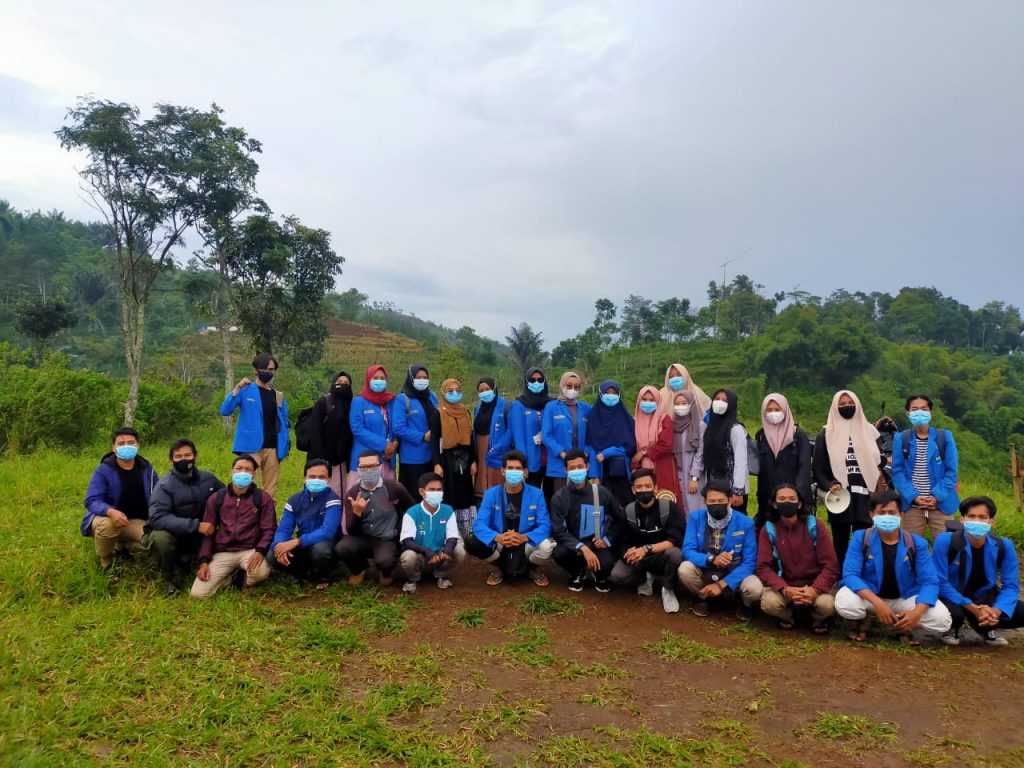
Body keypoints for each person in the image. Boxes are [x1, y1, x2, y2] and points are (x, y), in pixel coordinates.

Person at [835, 491, 952, 643]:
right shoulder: (861, 538)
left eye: (892, 512)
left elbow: (930, 582)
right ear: (872, 515)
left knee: (942, 620)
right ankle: (864, 620)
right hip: (871, 595)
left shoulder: (916, 543)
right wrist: (877, 603)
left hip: (905, 597)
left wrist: (916, 613)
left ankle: (905, 624)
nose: (887, 517)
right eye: (881, 513)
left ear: (901, 515)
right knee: (845, 603)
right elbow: (850, 575)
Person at [934, 496, 1023, 646]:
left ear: (991, 521)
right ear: (962, 519)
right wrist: (971, 607)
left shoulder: (1004, 546)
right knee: (953, 615)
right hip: (951, 595)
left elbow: (1011, 586)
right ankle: (952, 627)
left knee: (1018, 611)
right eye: (971, 516)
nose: (976, 521)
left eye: (982, 517)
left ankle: (986, 627)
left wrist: (997, 610)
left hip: (983, 595)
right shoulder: (946, 541)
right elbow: (939, 581)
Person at [813, 390, 887, 566]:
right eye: (842, 404)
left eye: (850, 403)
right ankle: (841, 576)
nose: (847, 406)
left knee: (865, 539)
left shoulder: (870, 432)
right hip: (841, 497)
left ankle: (864, 574)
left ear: (858, 404)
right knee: (840, 541)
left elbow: (880, 460)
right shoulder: (826, 434)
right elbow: (818, 468)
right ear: (835, 407)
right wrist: (829, 484)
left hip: (866, 495)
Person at [146, 438, 225, 596]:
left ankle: (232, 571)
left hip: (206, 535)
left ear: (196, 456)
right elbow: (157, 517)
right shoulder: (164, 486)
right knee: (160, 538)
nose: (184, 459)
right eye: (178, 456)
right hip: (179, 535)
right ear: (171, 459)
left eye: (188, 455)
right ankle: (168, 579)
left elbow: (225, 500)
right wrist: (195, 525)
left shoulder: (209, 479)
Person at [190, 454, 276, 599]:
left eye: (247, 469)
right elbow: (207, 532)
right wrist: (204, 562)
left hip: (249, 550)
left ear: (254, 474)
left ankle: (242, 576)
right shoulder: (217, 498)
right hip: (223, 551)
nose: (242, 472)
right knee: (197, 594)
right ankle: (232, 578)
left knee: (260, 572)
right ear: (231, 471)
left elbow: (269, 529)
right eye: (239, 468)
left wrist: (260, 551)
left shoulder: (262, 498)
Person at [756, 484, 839, 633]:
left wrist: (815, 589)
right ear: (774, 504)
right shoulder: (769, 529)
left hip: (814, 584)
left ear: (800, 503)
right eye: (781, 499)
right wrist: (785, 589)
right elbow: (763, 567)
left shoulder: (815, 525)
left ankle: (817, 618)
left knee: (827, 605)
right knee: (770, 604)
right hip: (786, 585)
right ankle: (788, 615)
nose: (787, 502)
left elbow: (830, 564)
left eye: (792, 499)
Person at [466, 450, 555, 586]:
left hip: (525, 541)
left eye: (518, 468)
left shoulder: (537, 494)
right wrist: (498, 537)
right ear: (503, 471)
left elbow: (545, 525)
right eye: (510, 468)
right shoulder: (491, 494)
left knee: (547, 546)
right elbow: (479, 524)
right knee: (474, 542)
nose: (514, 472)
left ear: (525, 472)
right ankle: (499, 567)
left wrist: (524, 537)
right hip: (501, 541)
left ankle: (530, 569)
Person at [680, 480, 762, 619]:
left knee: (755, 588)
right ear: (705, 502)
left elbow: (750, 562)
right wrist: (711, 560)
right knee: (685, 568)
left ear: (729, 500)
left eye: (721, 500)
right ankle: (703, 598)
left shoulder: (746, 523)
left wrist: (721, 584)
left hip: (734, 570)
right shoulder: (696, 517)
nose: (716, 504)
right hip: (706, 568)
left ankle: (743, 603)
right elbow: (688, 550)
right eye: (712, 501)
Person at [81, 427, 159, 572]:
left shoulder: (148, 469)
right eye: (121, 443)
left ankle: (123, 546)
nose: (126, 446)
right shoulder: (103, 470)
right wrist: (110, 511)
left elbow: (158, 496)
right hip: (109, 520)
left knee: (156, 542)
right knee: (108, 525)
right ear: (114, 447)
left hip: (135, 521)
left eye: (130, 442)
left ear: (138, 445)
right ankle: (106, 561)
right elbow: (91, 500)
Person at [609, 469, 685, 613]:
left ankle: (668, 589)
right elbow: (622, 539)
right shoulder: (628, 511)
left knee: (675, 554)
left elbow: (674, 540)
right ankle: (645, 577)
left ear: (655, 487)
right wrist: (627, 552)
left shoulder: (670, 508)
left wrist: (646, 549)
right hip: (639, 558)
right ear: (633, 489)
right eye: (639, 487)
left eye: (647, 486)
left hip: (661, 556)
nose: (643, 490)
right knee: (617, 576)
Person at [337, 449, 415, 586]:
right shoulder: (352, 493)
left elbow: (413, 510)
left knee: (386, 561)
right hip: (362, 538)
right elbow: (351, 531)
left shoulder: (394, 487)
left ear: (380, 467)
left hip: (386, 539)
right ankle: (359, 569)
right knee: (342, 548)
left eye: (372, 466)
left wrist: (397, 530)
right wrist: (357, 514)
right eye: (363, 467)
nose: (368, 470)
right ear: (358, 469)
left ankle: (385, 572)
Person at [218, 353, 289, 500]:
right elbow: (225, 410)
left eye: (271, 369)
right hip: (251, 447)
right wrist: (237, 387)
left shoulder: (278, 396)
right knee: (246, 485)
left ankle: (266, 519)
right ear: (256, 370)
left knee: (270, 490)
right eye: (264, 369)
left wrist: (285, 443)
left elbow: (284, 421)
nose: (268, 372)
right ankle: (244, 516)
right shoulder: (245, 390)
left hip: (273, 448)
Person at [549, 449, 622, 592]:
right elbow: (558, 531)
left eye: (580, 467)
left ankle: (599, 574)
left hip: (597, 543)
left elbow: (620, 519)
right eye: (572, 468)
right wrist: (582, 548)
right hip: (574, 546)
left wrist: (607, 539)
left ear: (587, 467)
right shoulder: (558, 498)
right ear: (566, 470)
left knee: (607, 564)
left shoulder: (601, 492)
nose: (577, 470)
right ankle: (577, 572)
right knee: (558, 553)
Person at [891, 394, 959, 540]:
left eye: (924, 408)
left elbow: (951, 473)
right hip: (912, 506)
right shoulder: (901, 439)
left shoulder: (944, 437)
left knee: (947, 549)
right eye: (914, 409)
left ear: (931, 412)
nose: (919, 412)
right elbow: (897, 472)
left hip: (941, 505)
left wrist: (936, 496)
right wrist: (914, 496)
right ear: (907, 413)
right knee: (912, 548)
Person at [271, 459, 343, 589]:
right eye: (312, 476)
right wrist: (280, 545)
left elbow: (327, 531)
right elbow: (283, 529)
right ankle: (299, 574)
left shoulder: (333, 499)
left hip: (325, 543)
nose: (316, 480)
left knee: (321, 551)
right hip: (303, 543)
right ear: (304, 478)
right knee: (273, 554)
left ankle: (324, 575)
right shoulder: (294, 499)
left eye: (321, 477)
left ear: (329, 479)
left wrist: (297, 542)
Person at [399, 472, 466, 592]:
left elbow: (452, 536)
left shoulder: (448, 510)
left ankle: (441, 574)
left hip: (439, 556)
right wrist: (426, 551)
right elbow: (407, 541)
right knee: (408, 557)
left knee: (459, 551)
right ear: (421, 492)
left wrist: (448, 549)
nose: (436, 493)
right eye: (432, 490)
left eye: (439, 490)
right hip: (419, 556)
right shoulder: (412, 513)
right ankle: (413, 578)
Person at [754, 394, 811, 527]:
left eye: (777, 409)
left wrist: (797, 496)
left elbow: (804, 466)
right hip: (767, 498)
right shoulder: (761, 436)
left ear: (785, 410)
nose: (773, 413)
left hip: (792, 498)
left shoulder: (797, 436)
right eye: (769, 410)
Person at [431, 378, 478, 536]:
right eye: (450, 391)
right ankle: (450, 533)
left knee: (465, 493)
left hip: (465, 460)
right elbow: (434, 441)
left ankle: (467, 532)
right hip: (448, 459)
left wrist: (474, 461)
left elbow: (471, 439)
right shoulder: (438, 413)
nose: (454, 393)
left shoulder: (465, 411)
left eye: (457, 390)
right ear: (443, 392)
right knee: (450, 494)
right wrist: (437, 463)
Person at [542, 371, 595, 496]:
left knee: (581, 499)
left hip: (580, 464)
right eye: (569, 385)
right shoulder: (551, 407)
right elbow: (546, 436)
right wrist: (563, 454)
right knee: (562, 500)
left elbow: (591, 435)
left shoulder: (585, 408)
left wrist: (585, 453)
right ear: (562, 385)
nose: (572, 389)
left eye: (576, 387)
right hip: (559, 463)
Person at [392, 364, 439, 499]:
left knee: (431, 494)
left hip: (432, 455)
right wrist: (422, 437)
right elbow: (398, 427)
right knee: (413, 496)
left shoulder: (432, 396)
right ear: (411, 378)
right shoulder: (403, 399)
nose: (422, 380)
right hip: (412, 458)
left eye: (425, 377)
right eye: (418, 377)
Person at [586, 380, 637, 507]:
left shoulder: (625, 418)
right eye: (607, 392)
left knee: (627, 505)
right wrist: (594, 475)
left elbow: (631, 446)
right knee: (606, 505)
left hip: (622, 472)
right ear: (600, 394)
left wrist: (607, 452)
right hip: (602, 471)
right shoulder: (592, 418)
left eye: (614, 392)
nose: (611, 395)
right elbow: (590, 447)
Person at [304, 371, 354, 497]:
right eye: (339, 382)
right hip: (321, 460)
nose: (342, 385)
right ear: (333, 384)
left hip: (340, 462)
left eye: (346, 383)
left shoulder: (352, 405)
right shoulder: (323, 403)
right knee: (318, 493)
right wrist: (322, 460)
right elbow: (314, 432)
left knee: (337, 494)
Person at [701, 389, 749, 514]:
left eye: (725, 400)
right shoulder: (711, 428)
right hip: (714, 489)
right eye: (717, 399)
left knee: (735, 525)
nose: (719, 402)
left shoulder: (735, 429)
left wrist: (737, 491)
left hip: (732, 492)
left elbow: (741, 461)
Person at [506, 367, 553, 497]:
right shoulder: (518, 405)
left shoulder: (551, 404)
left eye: (540, 379)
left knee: (551, 499)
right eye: (532, 380)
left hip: (551, 461)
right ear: (526, 382)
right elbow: (519, 439)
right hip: (531, 462)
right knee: (532, 498)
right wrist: (523, 464)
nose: (536, 383)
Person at [349, 365, 399, 484]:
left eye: (382, 378)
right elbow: (357, 429)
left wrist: (395, 443)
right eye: (375, 378)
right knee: (363, 497)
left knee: (386, 497)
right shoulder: (359, 402)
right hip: (365, 459)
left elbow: (397, 425)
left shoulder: (391, 401)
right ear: (368, 380)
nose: (379, 381)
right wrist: (384, 445)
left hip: (387, 459)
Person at [631, 386, 682, 503]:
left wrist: (644, 452)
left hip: (662, 466)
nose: (648, 403)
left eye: (651, 400)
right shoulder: (634, 422)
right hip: (641, 468)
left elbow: (666, 444)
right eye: (644, 399)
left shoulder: (664, 419)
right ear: (639, 401)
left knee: (666, 499)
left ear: (658, 402)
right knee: (645, 500)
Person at [473, 377, 511, 504]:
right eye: (481, 390)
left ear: (494, 389)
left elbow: (510, 430)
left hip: (497, 447)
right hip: (480, 447)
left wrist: (499, 446)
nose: (484, 392)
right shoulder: (478, 408)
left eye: (487, 389)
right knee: (481, 480)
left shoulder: (505, 406)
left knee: (497, 480)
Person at [671, 388, 706, 516]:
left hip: (694, 476)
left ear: (691, 404)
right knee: (681, 510)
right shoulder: (673, 426)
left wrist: (695, 477)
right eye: (677, 403)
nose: (680, 407)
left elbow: (701, 452)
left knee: (695, 508)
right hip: (678, 475)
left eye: (684, 403)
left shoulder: (699, 426)